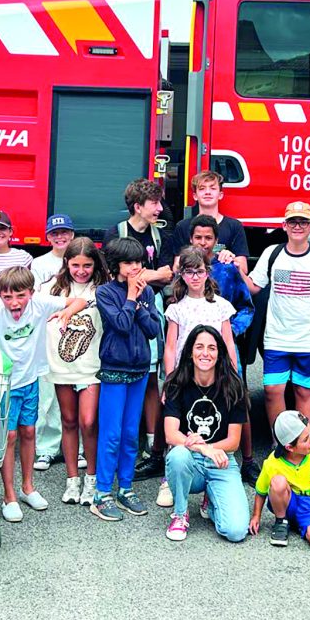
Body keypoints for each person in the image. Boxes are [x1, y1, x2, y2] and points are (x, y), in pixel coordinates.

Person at [0, 267, 85, 523]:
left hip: (30, 381)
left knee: (28, 432)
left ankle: (28, 487)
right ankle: (9, 495)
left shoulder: (40, 303)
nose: (14, 303)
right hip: (5, 386)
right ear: (0, 296)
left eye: (20, 296)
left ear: (31, 293)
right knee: (9, 436)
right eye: (7, 297)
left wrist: (66, 311)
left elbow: (81, 300)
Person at [242, 200, 310, 429]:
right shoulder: (272, 254)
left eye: (303, 222)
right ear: (284, 226)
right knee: (272, 391)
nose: (298, 226)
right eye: (293, 222)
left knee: (303, 391)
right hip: (277, 339)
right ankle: (282, 445)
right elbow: (254, 286)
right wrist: (234, 268)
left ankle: (302, 444)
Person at [105, 179, 172, 487]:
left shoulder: (160, 234)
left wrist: (147, 280)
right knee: (114, 429)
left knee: (150, 369)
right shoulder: (116, 233)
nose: (160, 208)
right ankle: (106, 484)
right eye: (154, 203)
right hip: (123, 309)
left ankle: (149, 440)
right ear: (138, 207)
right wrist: (147, 277)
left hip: (149, 300)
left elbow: (168, 273)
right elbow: (116, 277)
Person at [91, 237, 161, 521]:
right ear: (115, 264)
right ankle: (102, 493)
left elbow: (154, 329)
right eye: (128, 262)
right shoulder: (105, 292)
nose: (134, 267)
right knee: (111, 434)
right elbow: (119, 325)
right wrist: (132, 298)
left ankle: (126, 488)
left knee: (131, 434)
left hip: (140, 368)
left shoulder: (148, 292)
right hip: (114, 368)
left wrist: (140, 304)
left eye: (138, 262)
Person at [161, 325, 251, 543]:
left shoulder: (233, 386)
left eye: (212, 348)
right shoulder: (176, 382)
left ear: (219, 353)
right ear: (190, 351)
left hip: (222, 461)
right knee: (177, 456)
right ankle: (180, 514)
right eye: (199, 347)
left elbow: (234, 441)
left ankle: (211, 502)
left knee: (236, 531)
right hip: (190, 457)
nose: (205, 353)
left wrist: (212, 450)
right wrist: (204, 448)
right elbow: (171, 435)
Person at [187, 214, 259, 481]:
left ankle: (249, 461)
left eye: (208, 238)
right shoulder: (186, 268)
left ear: (216, 241)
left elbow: (247, 308)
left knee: (238, 399)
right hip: (192, 351)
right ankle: (171, 457)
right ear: (191, 239)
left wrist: (228, 329)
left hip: (225, 347)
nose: (203, 243)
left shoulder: (227, 269)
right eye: (198, 238)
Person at [42, 236, 108, 507]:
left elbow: (89, 302)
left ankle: (91, 479)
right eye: (76, 264)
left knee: (88, 422)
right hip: (61, 366)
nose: (81, 270)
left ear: (95, 265)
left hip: (91, 366)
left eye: (88, 265)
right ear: (66, 262)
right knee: (68, 421)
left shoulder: (102, 288)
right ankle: (72, 480)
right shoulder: (50, 289)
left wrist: (71, 310)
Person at [248, 410, 310, 549]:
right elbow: (261, 491)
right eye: (306, 439)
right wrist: (256, 516)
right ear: (289, 447)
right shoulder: (272, 462)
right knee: (278, 482)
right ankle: (281, 521)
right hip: (287, 502)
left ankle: (306, 526)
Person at [30, 214, 76, 472]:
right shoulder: (39, 263)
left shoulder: (80, 257)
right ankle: (46, 449)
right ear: (47, 236)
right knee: (47, 396)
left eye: (65, 233)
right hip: (48, 333)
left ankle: (77, 448)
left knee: (75, 391)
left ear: (72, 234)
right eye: (55, 234)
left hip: (77, 334)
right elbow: (34, 298)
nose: (60, 238)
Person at [162, 246, 237, 376]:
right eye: (189, 272)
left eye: (200, 271)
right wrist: (169, 381)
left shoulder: (221, 306)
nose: (195, 277)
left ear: (207, 273)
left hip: (215, 371)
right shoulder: (176, 309)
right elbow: (170, 348)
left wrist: (234, 376)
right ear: (182, 274)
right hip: (185, 372)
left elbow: (229, 344)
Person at [162, 170, 249, 271]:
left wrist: (231, 259)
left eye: (212, 188)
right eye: (202, 189)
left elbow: (244, 269)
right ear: (195, 196)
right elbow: (176, 268)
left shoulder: (234, 226)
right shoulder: (182, 226)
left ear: (220, 194)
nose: (207, 192)